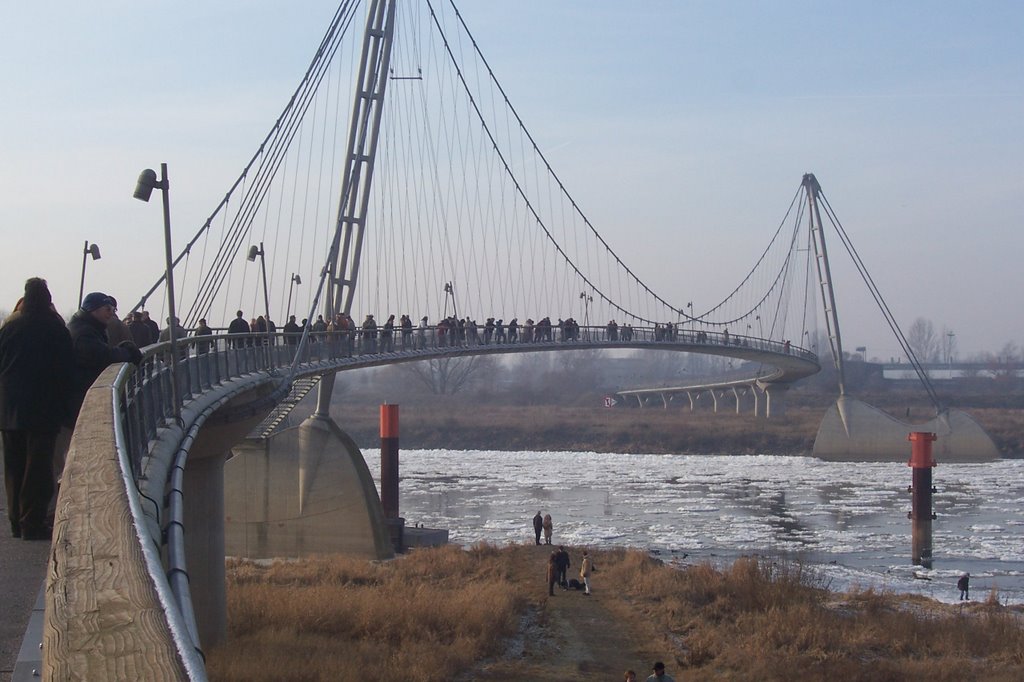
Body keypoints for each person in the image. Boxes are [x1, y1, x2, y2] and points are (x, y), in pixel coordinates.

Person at [0, 278, 74, 540]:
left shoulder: (10, 327)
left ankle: (15, 521)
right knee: (39, 467)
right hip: (43, 408)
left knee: (14, 466)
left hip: (10, 408)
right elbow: (67, 369)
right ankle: (32, 522)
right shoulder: (55, 328)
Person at [68, 292, 143, 421]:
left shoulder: (86, 327)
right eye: (108, 309)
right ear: (93, 310)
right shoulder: (84, 333)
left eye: (113, 309)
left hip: (84, 392)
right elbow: (103, 355)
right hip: (81, 396)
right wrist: (128, 352)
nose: (111, 313)